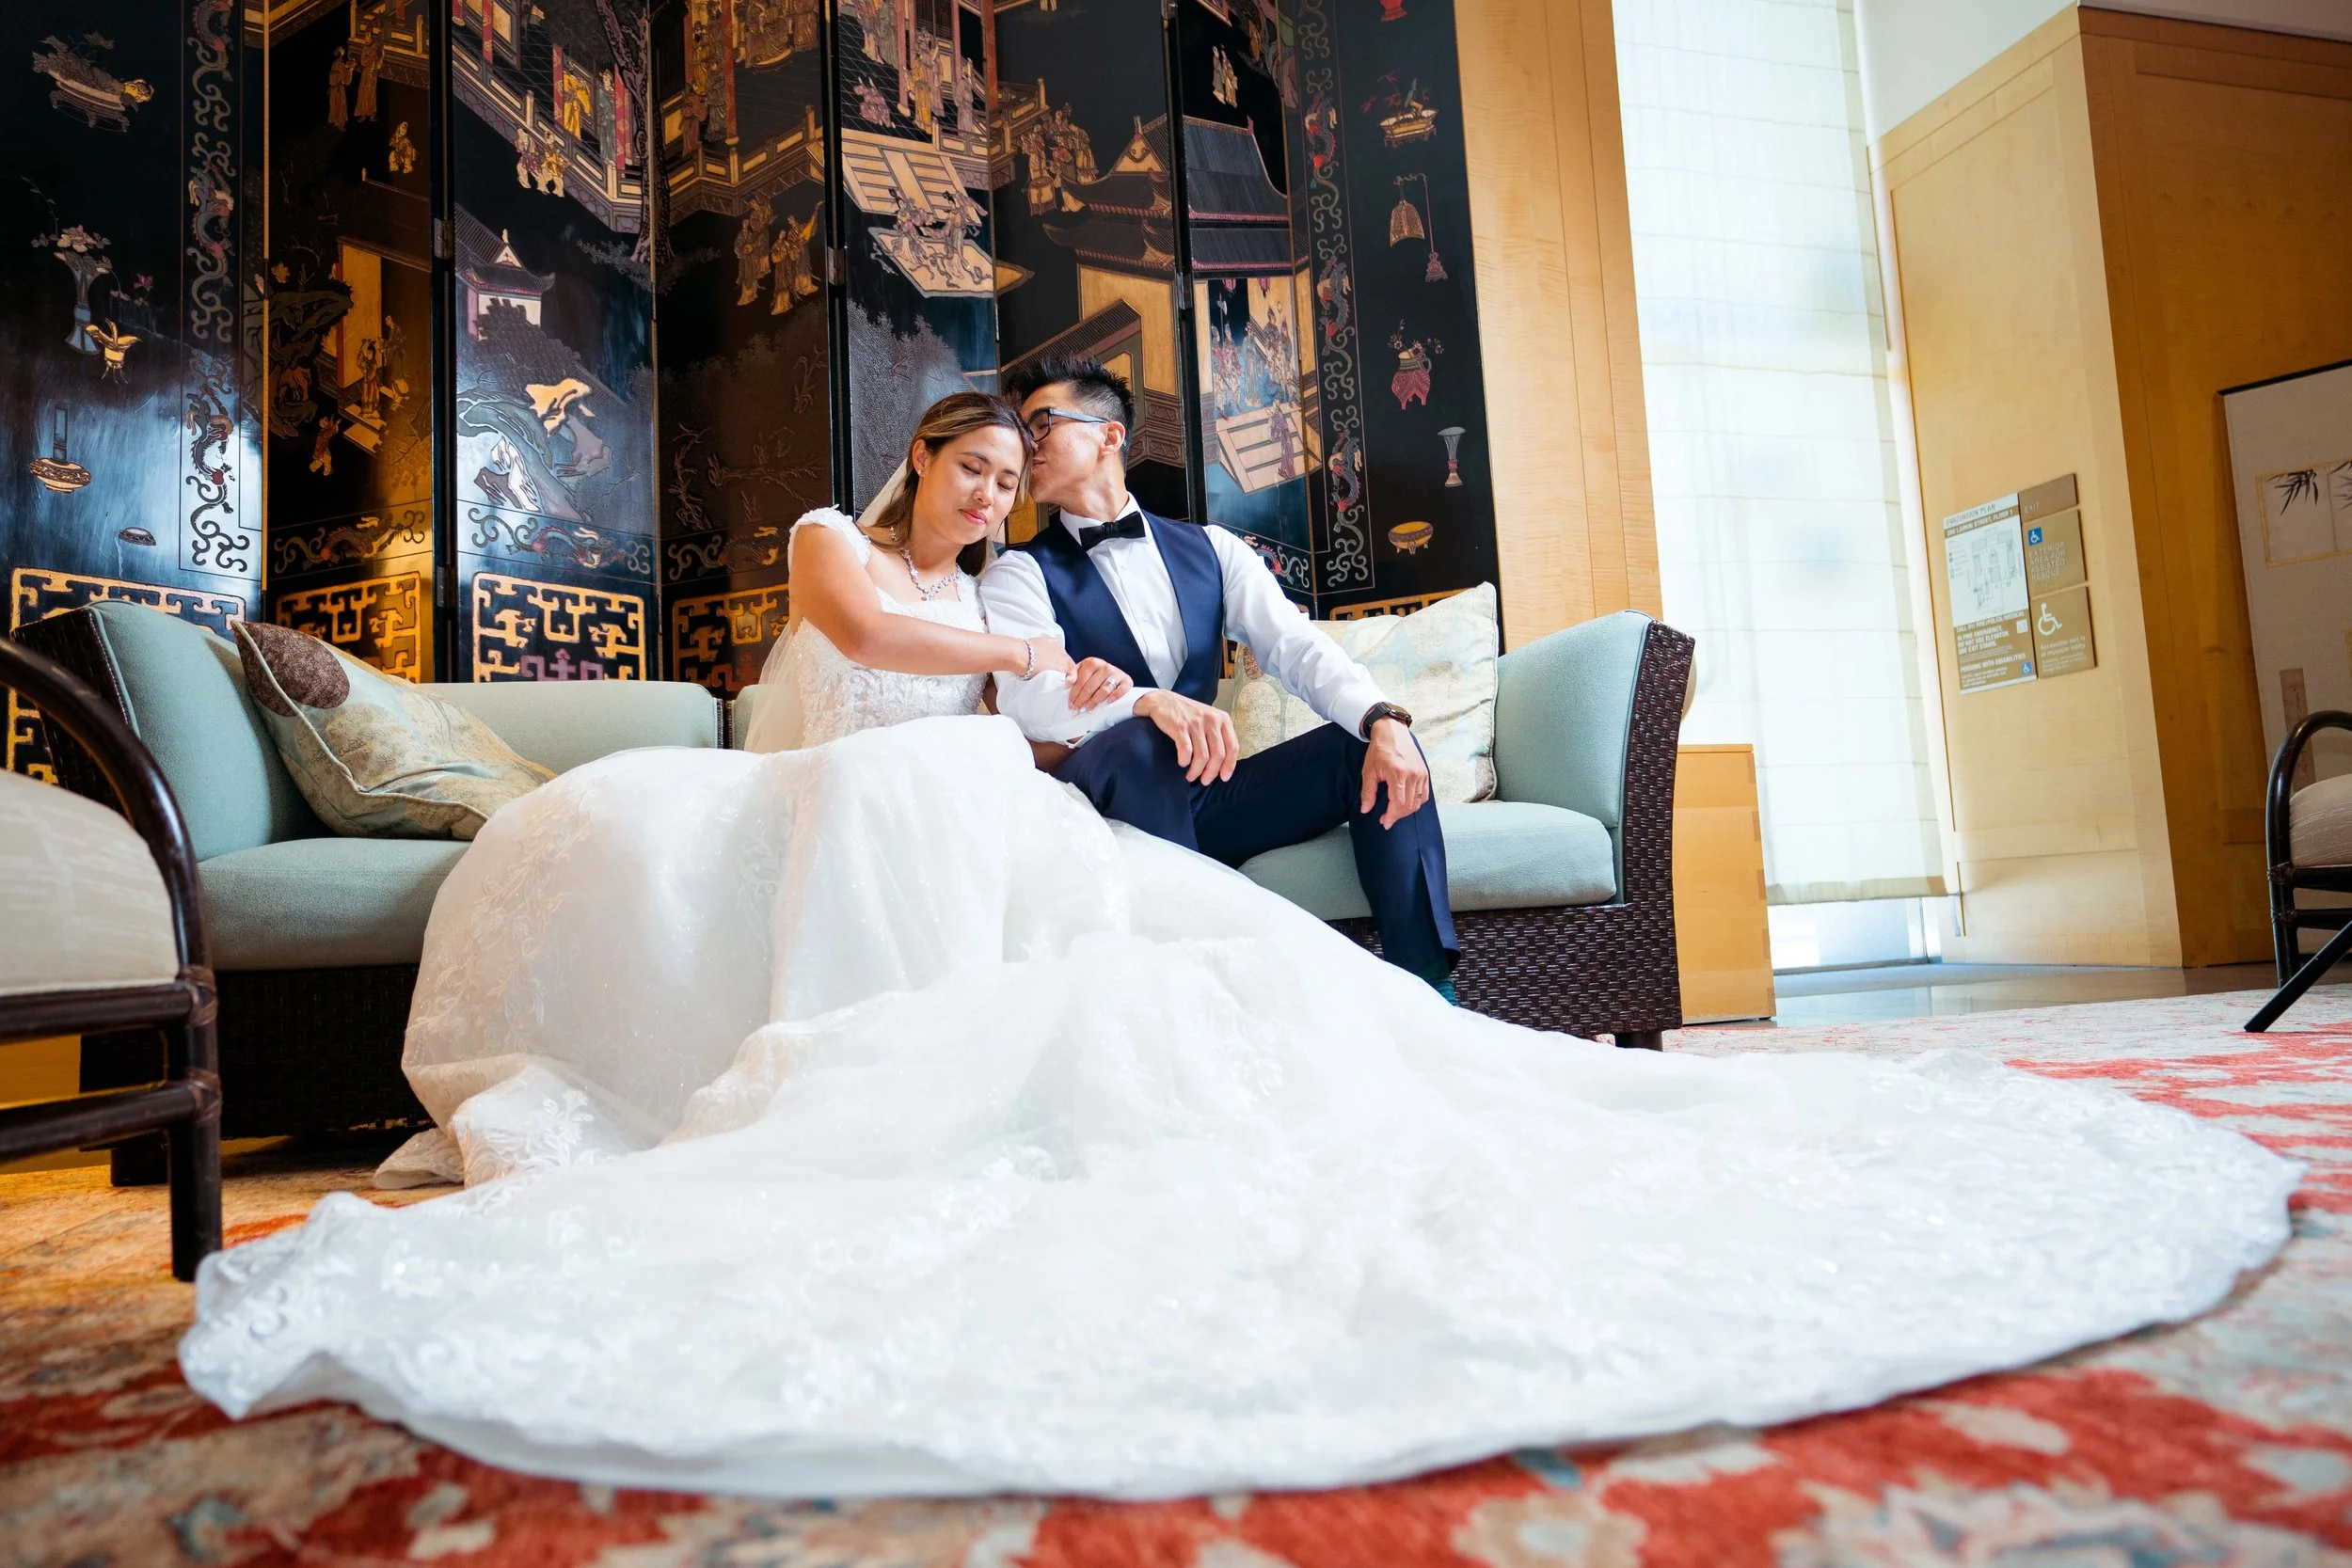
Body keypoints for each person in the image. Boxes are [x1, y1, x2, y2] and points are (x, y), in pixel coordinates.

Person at [177, 394, 2296, 1505]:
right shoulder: (847, 549)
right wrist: (1045, 660)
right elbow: (879, 646)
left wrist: (1176, 699)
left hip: (976, 801)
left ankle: (1422, 1010)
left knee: (1130, 871)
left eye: (1017, 472)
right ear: (917, 464)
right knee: (930, 794)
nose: (992, 488)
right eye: (972, 461)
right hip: (805, 804)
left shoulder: (1080, 591)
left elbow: (1048, 708)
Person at [979, 355, 1457, 996]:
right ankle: (1190, 988)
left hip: (1210, 796)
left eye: (1042, 423)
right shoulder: (1017, 574)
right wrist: (1145, 703)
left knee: (1369, 747)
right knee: (1140, 739)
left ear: (1109, 435)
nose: (1025, 443)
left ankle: (1426, 990)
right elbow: (1028, 702)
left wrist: (1383, 718)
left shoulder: (1214, 549)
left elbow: (1295, 645)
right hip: (1098, 808)